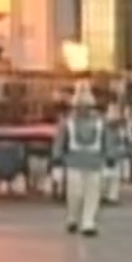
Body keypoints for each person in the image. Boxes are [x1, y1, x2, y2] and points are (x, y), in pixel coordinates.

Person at [55, 82, 109, 235]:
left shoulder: (100, 122)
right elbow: (60, 140)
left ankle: (88, 222)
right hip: (73, 161)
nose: (83, 109)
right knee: (75, 193)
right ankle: (72, 217)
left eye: (86, 106)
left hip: (95, 162)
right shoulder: (68, 121)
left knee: (93, 193)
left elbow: (107, 139)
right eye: (80, 106)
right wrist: (57, 159)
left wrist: (110, 157)